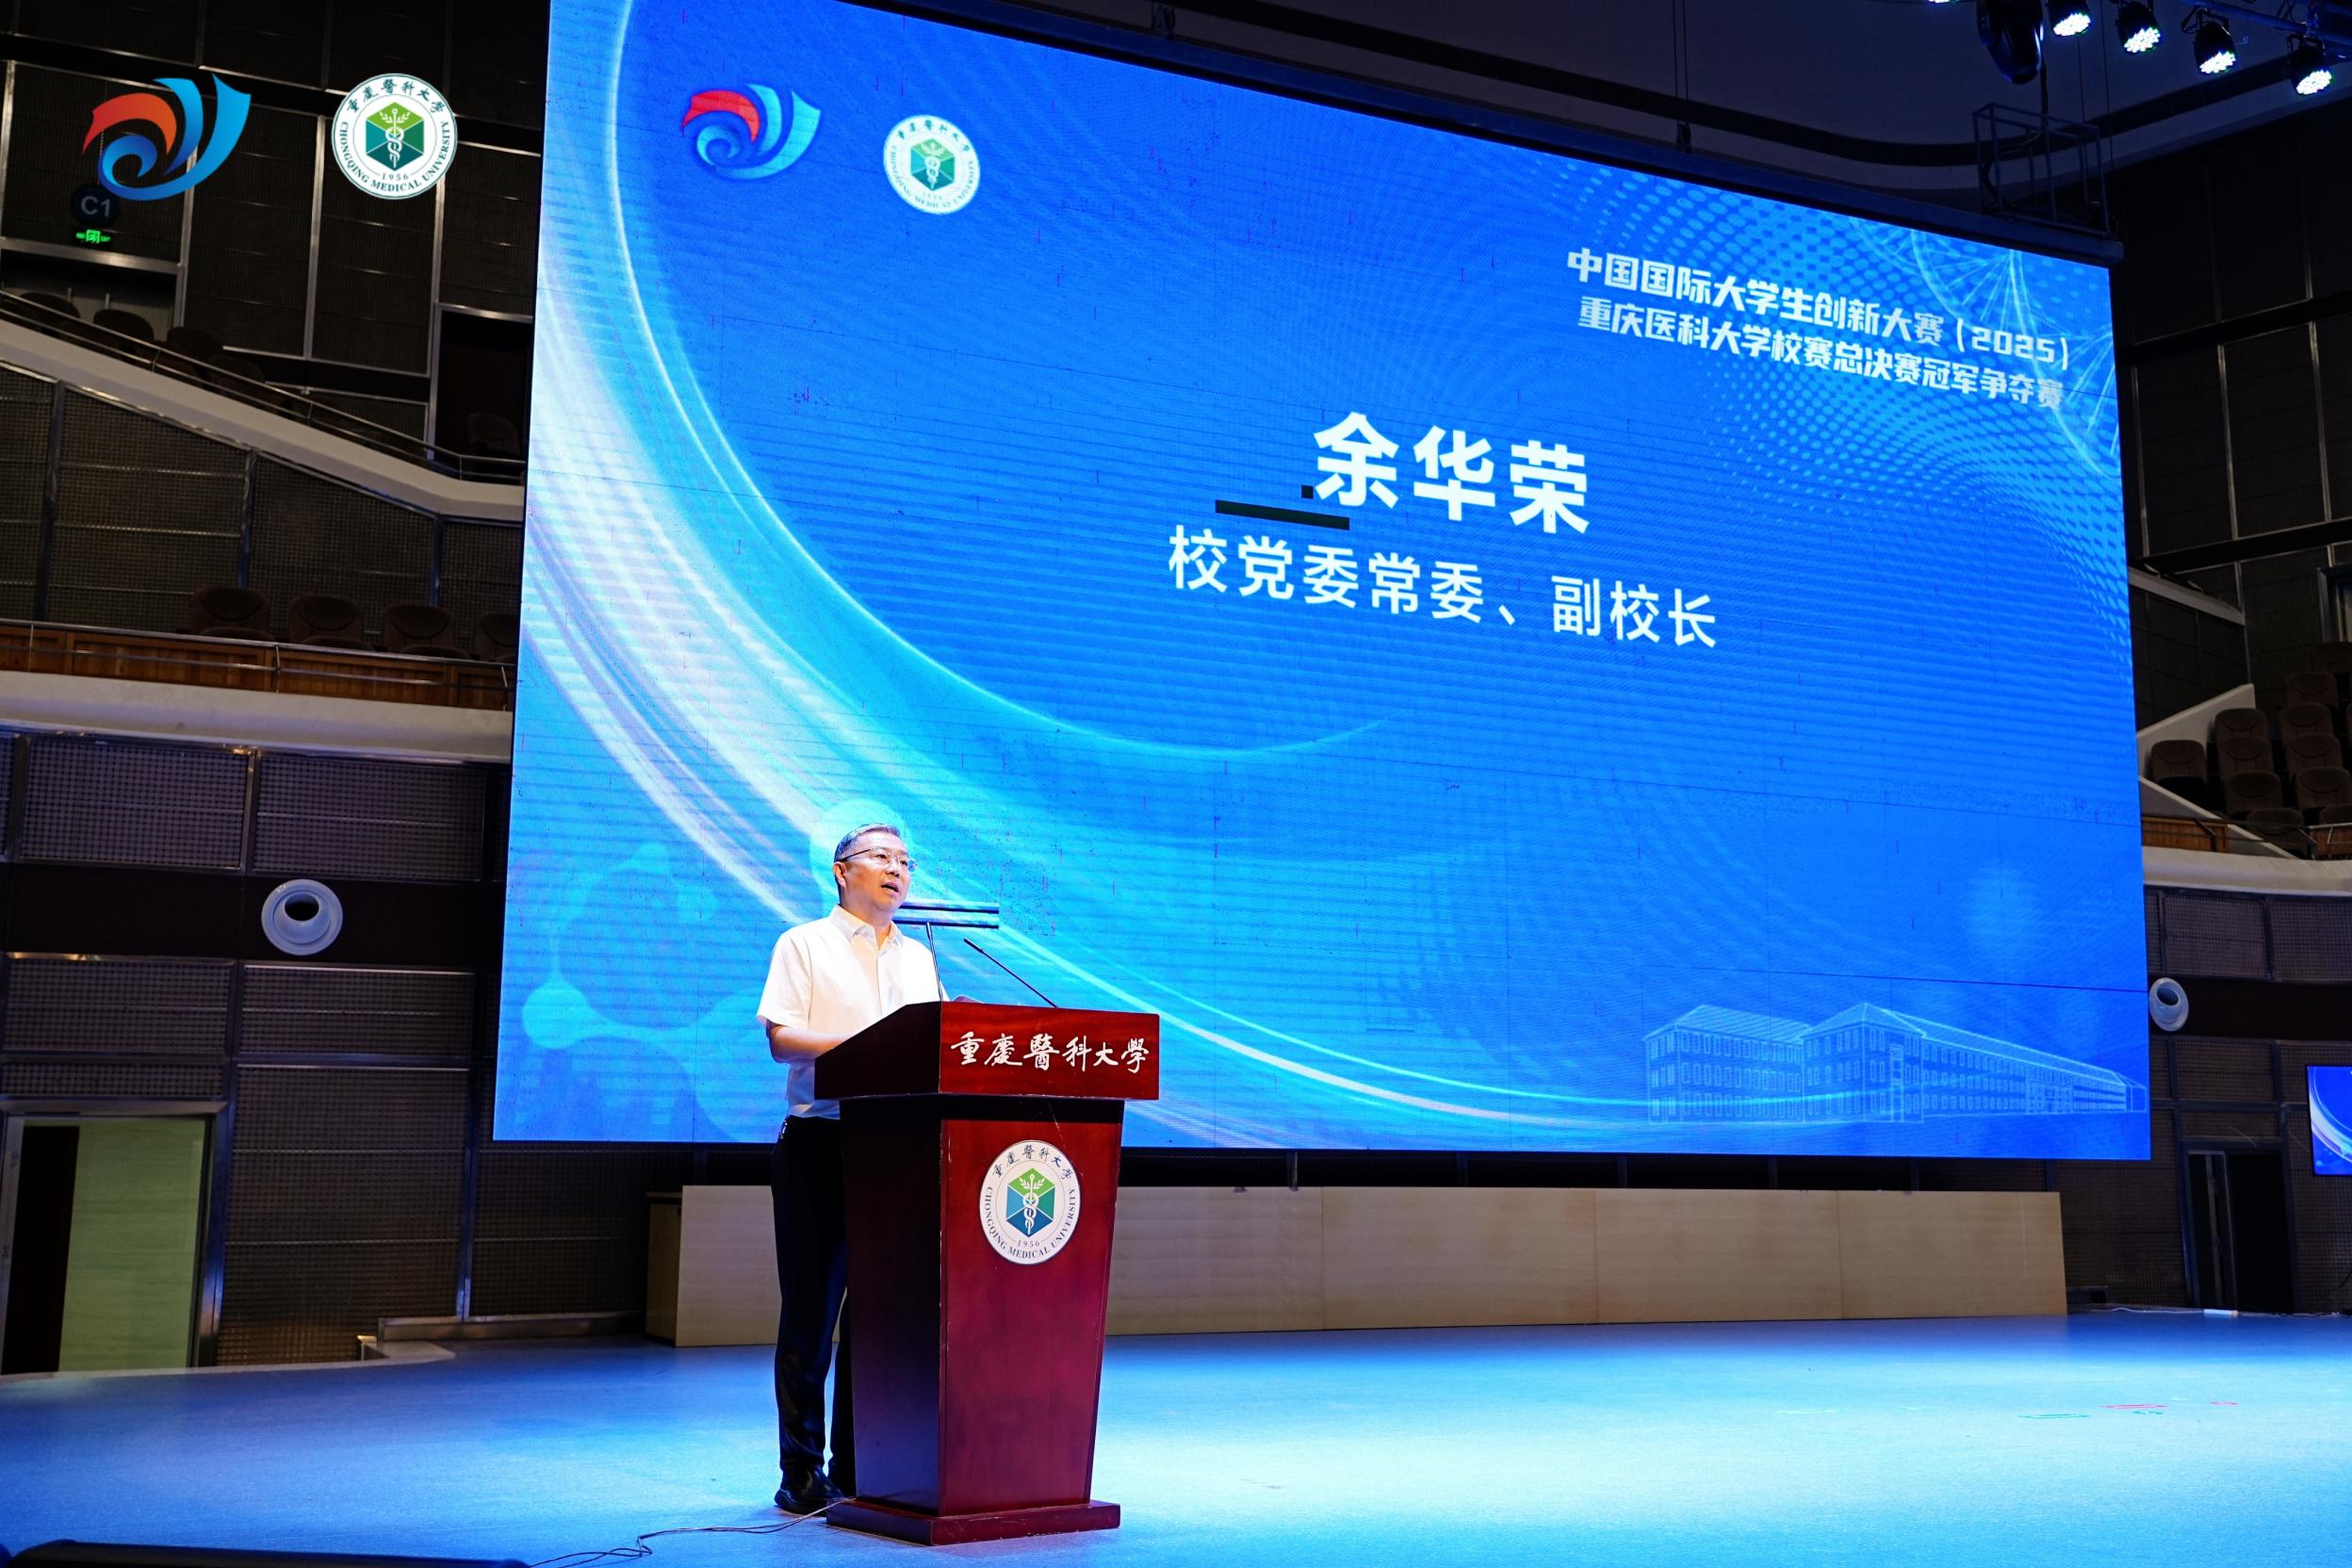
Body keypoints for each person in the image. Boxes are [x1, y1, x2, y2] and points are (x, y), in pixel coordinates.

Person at [756, 823, 940, 1513]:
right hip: (821, 1143)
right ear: (842, 870)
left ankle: (864, 1465)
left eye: (906, 861)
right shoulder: (803, 943)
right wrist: (876, 1044)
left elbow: (935, 1045)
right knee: (811, 1314)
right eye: (882, 857)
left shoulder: (918, 958)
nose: (898, 870)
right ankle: (801, 1471)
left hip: (900, 1147)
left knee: (880, 1315)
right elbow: (784, 1039)